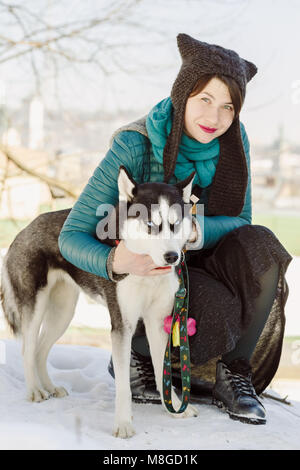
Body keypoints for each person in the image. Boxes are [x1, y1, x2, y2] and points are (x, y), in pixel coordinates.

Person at [58, 33, 293, 425]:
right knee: (205, 309)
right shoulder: (136, 145)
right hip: (149, 271)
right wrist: (118, 259)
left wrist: (194, 231)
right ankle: (137, 361)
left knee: (262, 247)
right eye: (204, 99)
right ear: (183, 94)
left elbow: (242, 220)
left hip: (199, 258)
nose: (215, 118)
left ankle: (232, 374)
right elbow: (72, 235)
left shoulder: (235, 143)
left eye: (228, 106)